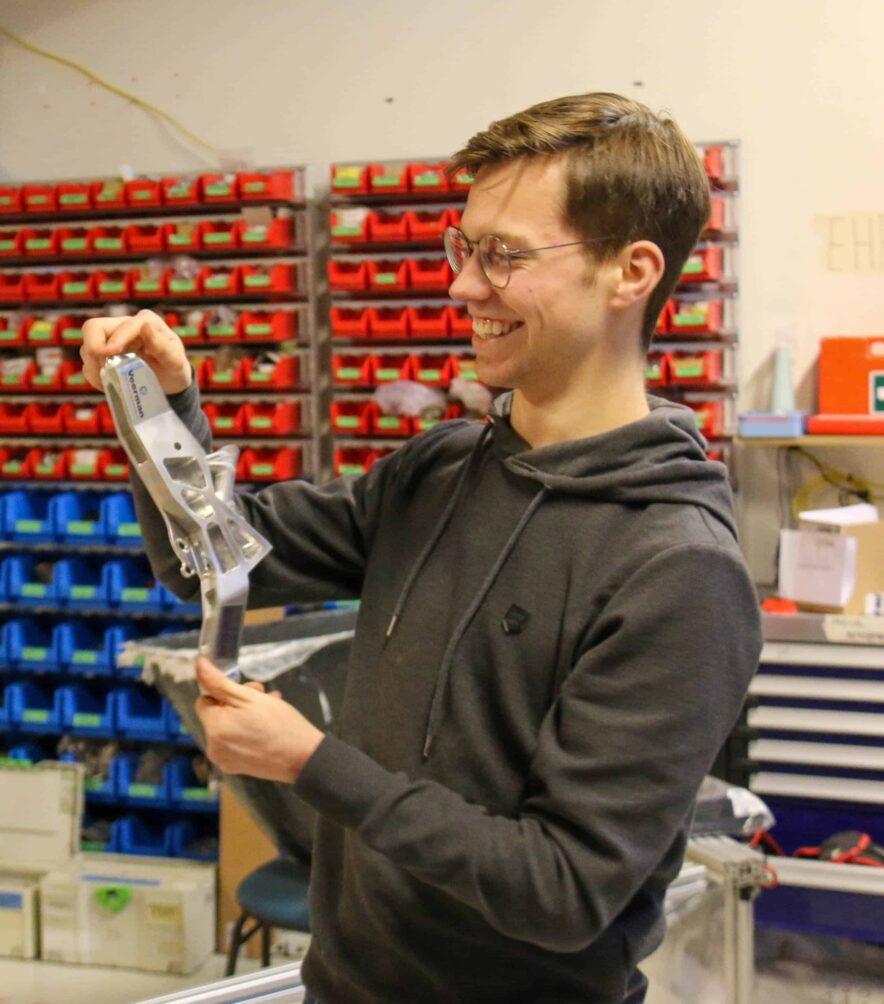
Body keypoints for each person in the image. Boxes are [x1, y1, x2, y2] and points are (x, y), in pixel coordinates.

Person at [81, 92, 761, 1004]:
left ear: (629, 272)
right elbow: (208, 556)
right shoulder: (441, 470)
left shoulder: (679, 568)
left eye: (504, 255)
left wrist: (310, 761)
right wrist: (159, 412)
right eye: (462, 248)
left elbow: (563, 890)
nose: (463, 287)